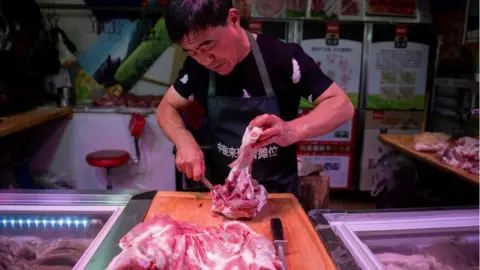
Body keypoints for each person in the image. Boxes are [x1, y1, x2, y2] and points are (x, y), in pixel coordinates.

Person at [157, 0, 354, 195]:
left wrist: (290, 130)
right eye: (192, 52)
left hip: (278, 196)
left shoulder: (282, 57)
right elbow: (167, 108)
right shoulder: (196, 68)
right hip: (224, 193)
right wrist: (183, 141)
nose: (205, 59)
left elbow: (341, 105)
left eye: (208, 45)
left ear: (233, 19)